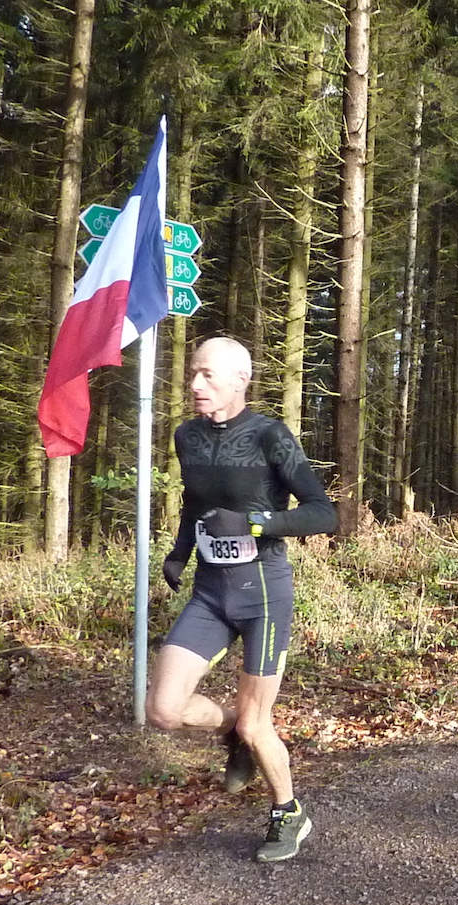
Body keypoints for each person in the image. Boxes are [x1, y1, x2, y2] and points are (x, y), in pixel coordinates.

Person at [147, 337, 337, 863]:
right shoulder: (187, 436)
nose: (195, 384)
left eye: (207, 375)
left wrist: (255, 522)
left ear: (240, 380)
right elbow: (194, 501)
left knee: (259, 725)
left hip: (264, 597)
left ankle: (288, 811)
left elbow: (323, 513)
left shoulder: (269, 435)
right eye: (193, 373)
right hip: (210, 593)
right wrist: (179, 552)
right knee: (163, 710)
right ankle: (231, 727)